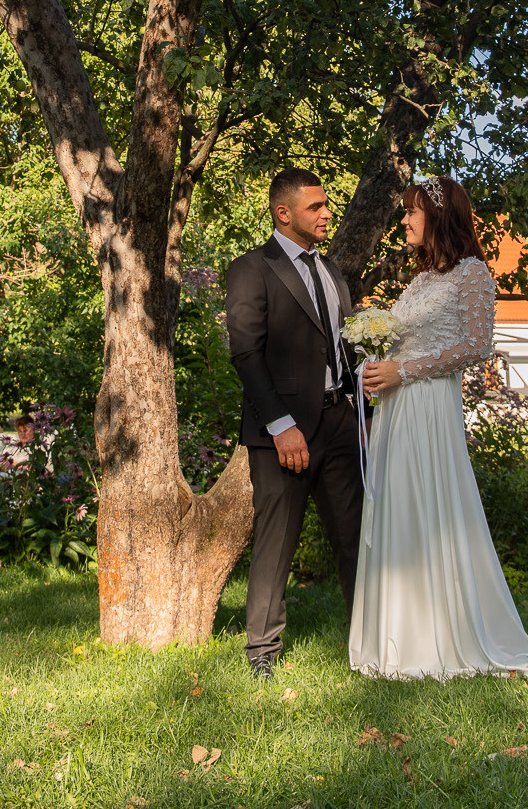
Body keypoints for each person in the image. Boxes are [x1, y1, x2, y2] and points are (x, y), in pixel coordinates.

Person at [352, 175, 528, 681]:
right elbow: (402, 341)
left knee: (431, 502)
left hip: (430, 404)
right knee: (398, 502)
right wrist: (377, 367)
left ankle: (446, 632)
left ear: (438, 216)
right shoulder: (419, 281)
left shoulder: (473, 274)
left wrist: (404, 370)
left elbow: (476, 345)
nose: (405, 221)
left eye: (412, 212)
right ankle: (399, 635)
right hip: (396, 408)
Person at [224, 167, 364, 681]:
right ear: (283, 213)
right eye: (316, 207)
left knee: (355, 537)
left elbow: (342, 347)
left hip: (340, 424)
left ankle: (368, 640)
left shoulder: (332, 273)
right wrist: (281, 425)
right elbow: (246, 353)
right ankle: (262, 651)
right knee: (276, 539)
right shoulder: (251, 269)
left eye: (326, 205)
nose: (327, 213)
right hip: (282, 432)